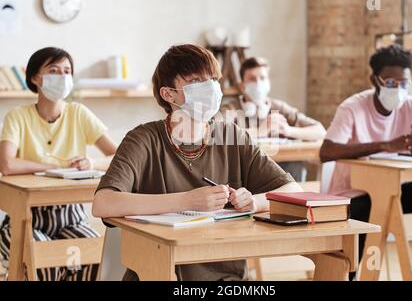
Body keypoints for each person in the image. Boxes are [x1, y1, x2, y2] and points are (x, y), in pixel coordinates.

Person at [92, 44, 302, 281]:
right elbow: (103, 203)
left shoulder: (231, 136)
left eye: (213, 79)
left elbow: (293, 191)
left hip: (226, 278)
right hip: (159, 271)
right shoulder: (144, 139)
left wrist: (254, 201)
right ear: (168, 94)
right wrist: (185, 200)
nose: (211, 88)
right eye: (196, 81)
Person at [320, 44, 412, 281]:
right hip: (356, 195)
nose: (399, 89)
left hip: (397, 190)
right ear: (375, 80)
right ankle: (345, 275)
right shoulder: (353, 108)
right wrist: (386, 145)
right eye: (391, 83)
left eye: (404, 83)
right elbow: (326, 151)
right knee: (367, 213)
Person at [0, 47, 118, 281]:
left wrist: (92, 162)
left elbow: (119, 156)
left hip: (71, 216)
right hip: (24, 220)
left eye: (67, 71)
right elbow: (6, 164)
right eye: (54, 70)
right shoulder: (17, 117)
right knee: (45, 261)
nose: (62, 76)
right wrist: (49, 167)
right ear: (35, 77)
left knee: (91, 256)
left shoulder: (79, 113)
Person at [220, 57, 326, 181]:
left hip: (280, 166)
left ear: (268, 82)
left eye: (262, 78)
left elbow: (320, 131)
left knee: (295, 165)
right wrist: (260, 131)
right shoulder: (230, 108)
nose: (258, 83)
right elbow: (218, 134)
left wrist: (289, 130)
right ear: (242, 86)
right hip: (247, 169)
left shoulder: (279, 107)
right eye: (252, 79)